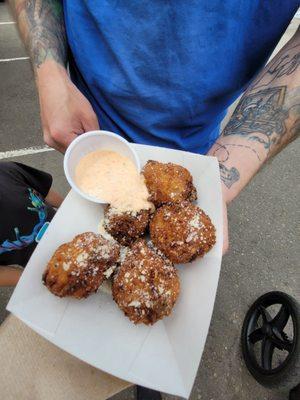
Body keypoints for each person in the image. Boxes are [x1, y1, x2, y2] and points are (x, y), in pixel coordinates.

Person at [8, 1, 300, 399]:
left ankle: (149, 381)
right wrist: (49, 73)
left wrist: (223, 173)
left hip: (199, 143)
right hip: (89, 128)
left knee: (149, 358)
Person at [0, 161, 63, 286]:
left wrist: (67, 208)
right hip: (42, 265)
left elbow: (44, 190)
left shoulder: (5, 171)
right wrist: (38, 279)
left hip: (66, 227)